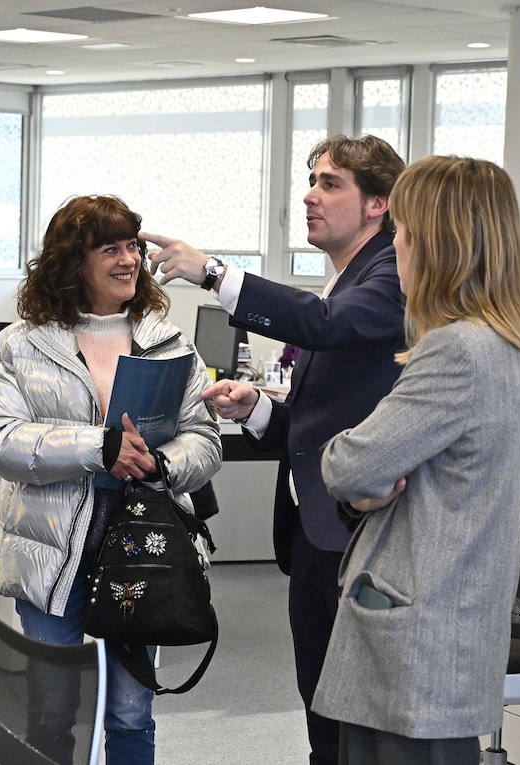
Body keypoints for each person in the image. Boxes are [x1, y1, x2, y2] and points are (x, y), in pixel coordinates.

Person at [143, 134, 406, 763]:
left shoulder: (393, 270)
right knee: (322, 709)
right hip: (317, 529)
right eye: (310, 182)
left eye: (329, 184)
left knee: (350, 722)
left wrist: (213, 273)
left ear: (379, 204)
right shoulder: (347, 278)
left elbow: (322, 326)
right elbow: (329, 420)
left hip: (360, 533)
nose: (310, 198)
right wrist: (261, 411)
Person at [0, 195, 221, 764]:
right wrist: (97, 448)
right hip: (51, 550)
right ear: (71, 261)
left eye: (133, 246)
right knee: (53, 713)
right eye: (109, 248)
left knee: (132, 714)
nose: (128, 259)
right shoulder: (21, 344)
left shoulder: (167, 339)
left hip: (141, 550)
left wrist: (164, 464)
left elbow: (203, 440)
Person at [313, 155, 520, 764]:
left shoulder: (456, 351)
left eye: (402, 234)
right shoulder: (506, 345)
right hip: (450, 622)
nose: (396, 249)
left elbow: (347, 466)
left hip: (418, 635)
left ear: (436, 247)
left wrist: (362, 472)